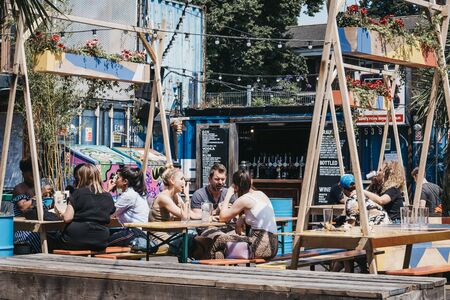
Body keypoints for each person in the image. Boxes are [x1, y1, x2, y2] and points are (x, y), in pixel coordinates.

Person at [206, 170, 278, 260]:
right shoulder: (260, 193)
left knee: (218, 240)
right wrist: (243, 217)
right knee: (221, 250)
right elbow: (256, 214)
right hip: (273, 246)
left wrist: (229, 193)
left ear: (235, 186)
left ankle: (209, 270)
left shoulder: (245, 199)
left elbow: (222, 217)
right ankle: (223, 269)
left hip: (260, 246)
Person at [48, 164, 115, 251]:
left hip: (75, 238)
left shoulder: (78, 193)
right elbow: (109, 216)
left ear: (80, 178)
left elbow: (67, 218)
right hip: (100, 240)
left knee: (50, 235)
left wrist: (60, 213)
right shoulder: (108, 196)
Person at [12, 158, 55, 253]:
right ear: (24, 174)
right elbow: (23, 207)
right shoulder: (19, 188)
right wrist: (40, 194)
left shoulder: (38, 187)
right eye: (31, 174)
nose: (35, 176)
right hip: (25, 229)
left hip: (42, 226)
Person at [149, 167, 193, 254]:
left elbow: (189, 215)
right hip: (159, 240)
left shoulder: (175, 196)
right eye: (181, 179)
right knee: (192, 239)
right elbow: (185, 216)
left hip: (170, 236)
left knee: (197, 238)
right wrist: (187, 196)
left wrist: (212, 216)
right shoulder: (163, 197)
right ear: (172, 180)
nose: (184, 182)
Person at [107, 166, 149, 247]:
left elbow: (110, 213)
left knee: (102, 243)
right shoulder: (136, 192)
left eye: (118, 177)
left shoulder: (129, 195)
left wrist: (108, 191)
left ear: (125, 181)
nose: (115, 180)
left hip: (135, 233)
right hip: (138, 232)